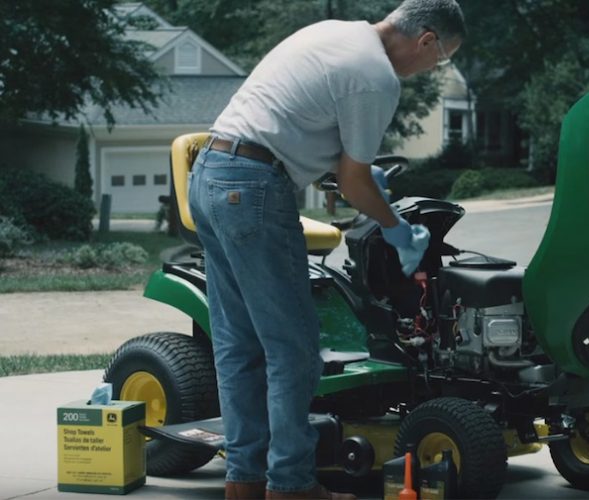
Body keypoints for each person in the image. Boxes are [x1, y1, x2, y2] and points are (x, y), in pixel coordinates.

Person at [188, 1, 465, 498]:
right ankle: (290, 486)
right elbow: (354, 182)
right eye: (442, 57)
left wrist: (358, 178)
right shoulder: (376, 76)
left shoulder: (337, 34)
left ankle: (244, 483)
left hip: (211, 172)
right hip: (252, 189)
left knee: (238, 348)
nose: (434, 67)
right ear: (426, 39)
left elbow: (309, 137)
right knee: (293, 350)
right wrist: (397, 228)